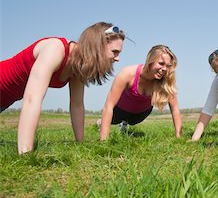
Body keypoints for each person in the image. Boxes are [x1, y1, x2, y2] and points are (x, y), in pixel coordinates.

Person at [0, 22, 125, 154]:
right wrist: (25, 154)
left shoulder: (77, 67)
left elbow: (77, 106)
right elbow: (32, 99)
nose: (118, 58)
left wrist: (80, 145)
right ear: (98, 46)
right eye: (114, 52)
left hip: (5, 100)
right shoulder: (55, 49)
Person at [98, 45, 182, 140]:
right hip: (120, 110)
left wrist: (178, 138)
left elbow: (175, 109)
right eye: (161, 63)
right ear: (150, 60)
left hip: (140, 113)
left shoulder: (166, 80)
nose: (164, 69)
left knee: (132, 121)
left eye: (168, 66)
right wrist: (104, 141)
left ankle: (125, 123)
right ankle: (101, 123)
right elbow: (109, 105)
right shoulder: (128, 73)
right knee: (114, 120)